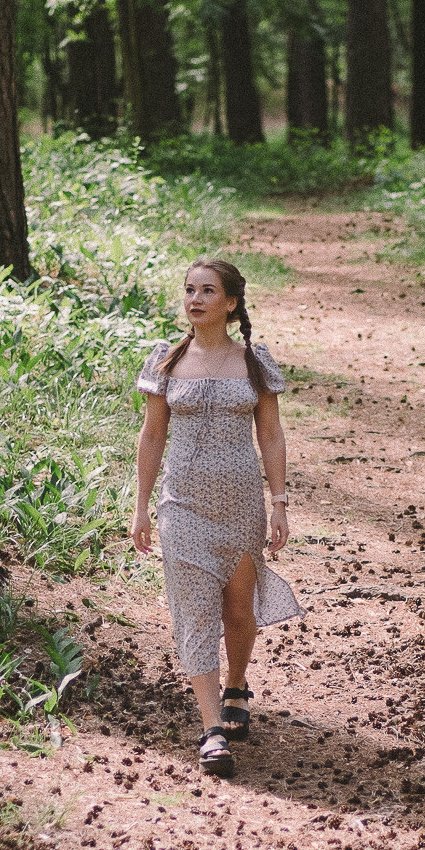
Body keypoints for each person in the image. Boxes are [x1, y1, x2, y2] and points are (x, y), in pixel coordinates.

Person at [131, 257, 302, 777]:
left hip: (241, 507)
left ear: (230, 303)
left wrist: (279, 502)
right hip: (181, 509)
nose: (195, 299)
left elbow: (270, 435)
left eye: (208, 291)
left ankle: (237, 684)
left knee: (237, 612)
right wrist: (140, 506)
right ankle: (211, 733)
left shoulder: (254, 361)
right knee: (195, 616)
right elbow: (152, 435)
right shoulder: (166, 359)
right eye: (189, 290)